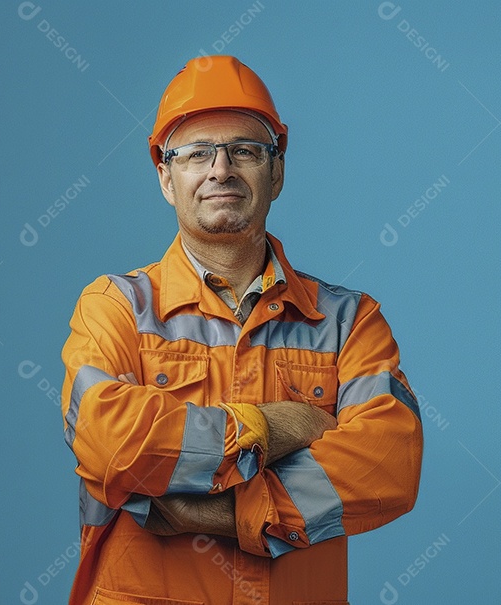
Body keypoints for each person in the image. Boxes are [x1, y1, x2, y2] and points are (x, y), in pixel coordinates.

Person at [59, 55, 423, 605]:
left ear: (275, 173)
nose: (220, 169)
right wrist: (270, 426)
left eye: (244, 151)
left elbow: (388, 465)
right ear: (166, 177)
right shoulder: (116, 307)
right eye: (196, 154)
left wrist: (220, 513)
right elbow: (109, 444)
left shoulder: (349, 322)